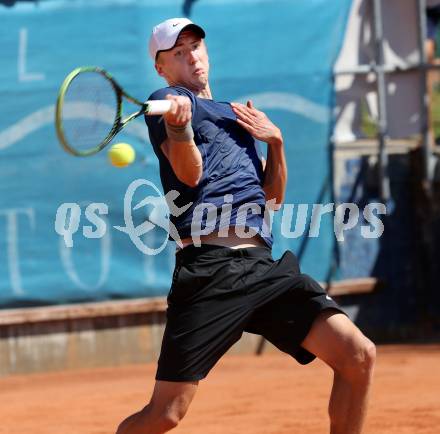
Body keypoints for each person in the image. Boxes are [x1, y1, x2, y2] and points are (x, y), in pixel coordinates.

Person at [116, 17, 376, 434]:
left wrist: (276, 143)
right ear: (162, 68)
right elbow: (189, 176)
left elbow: (270, 200)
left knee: (359, 355)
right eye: (177, 53)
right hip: (210, 271)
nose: (191, 57)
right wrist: (179, 128)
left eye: (195, 46)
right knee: (165, 415)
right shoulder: (165, 100)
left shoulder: (237, 116)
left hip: (263, 266)